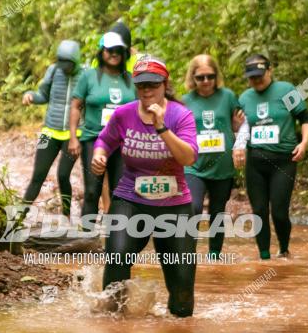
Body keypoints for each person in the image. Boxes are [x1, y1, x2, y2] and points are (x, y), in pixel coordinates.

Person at [92, 56, 199, 317]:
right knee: (117, 257)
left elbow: (188, 157)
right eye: (141, 86)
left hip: (174, 205)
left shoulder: (181, 115)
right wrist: (100, 155)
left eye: (153, 84)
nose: (147, 91)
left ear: (165, 84)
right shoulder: (124, 114)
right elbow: (104, 140)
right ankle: (113, 325)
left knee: (183, 283)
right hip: (130, 200)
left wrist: (161, 128)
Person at [235, 54, 308, 260]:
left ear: (269, 71)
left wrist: (303, 143)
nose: (256, 80)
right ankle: (264, 257)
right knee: (259, 211)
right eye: (252, 77)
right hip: (255, 162)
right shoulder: (243, 98)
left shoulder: (286, 90)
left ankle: (284, 249)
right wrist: (238, 145)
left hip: (283, 160)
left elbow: (305, 118)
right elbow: (240, 129)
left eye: (260, 75)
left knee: (279, 211)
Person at [181, 55, 245, 258]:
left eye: (210, 76)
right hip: (194, 165)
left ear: (216, 76)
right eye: (200, 77)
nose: (206, 81)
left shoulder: (228, 96)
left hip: (222, 166)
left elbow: (237, 126)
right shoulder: (186, 101)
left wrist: (238, 128)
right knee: (194, 207)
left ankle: (214, 257)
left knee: (218, 212)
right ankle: (187, 255)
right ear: (193, 78)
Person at [70, 32, 137, 220]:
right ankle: (86, 236)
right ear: (102, 52)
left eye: (118, 50)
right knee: (92, 190)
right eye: (110, 49)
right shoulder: (89, 77)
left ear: (124, 53)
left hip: (122, 142)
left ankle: (114, 240)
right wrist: (74, 137)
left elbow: (140, 110)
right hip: (93, 138)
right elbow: (76, 106)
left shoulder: (131, 79)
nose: (114, 53)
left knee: (119, 191)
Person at [20, 40, 82, 217]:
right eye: (61, 63)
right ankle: (19, 217)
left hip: (73, 135)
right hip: (48, 132)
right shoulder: (54, 71)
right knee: (38, 175)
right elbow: (42, 96)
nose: (64, 68)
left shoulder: (85, 75)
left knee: (63, 175)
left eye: (68, 64)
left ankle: (66, 214)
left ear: (75, 62)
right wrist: (30, 95)